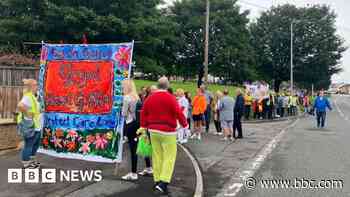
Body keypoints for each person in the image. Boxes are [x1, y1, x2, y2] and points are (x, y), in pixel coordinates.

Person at [140, 77, 188, 194]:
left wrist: (144, 126)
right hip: (168, 131)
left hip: (153, 130)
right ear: (167, 86)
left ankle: (157, 180)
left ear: (158, 85)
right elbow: (178, 113)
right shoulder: (170, 98)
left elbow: (143, 113)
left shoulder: (150, 98)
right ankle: (163, 182)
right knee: (169, 157)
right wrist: (185, 125)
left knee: (157, 156)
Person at [121, 80, 152, 181]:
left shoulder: (126, 98)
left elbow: (124, 114)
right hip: (139, 123)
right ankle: (148, 167)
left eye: (123, 86)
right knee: (143, 144)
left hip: (131, 124)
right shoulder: (137, 97)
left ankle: (134, 173)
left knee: (133, 148)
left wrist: (120, 109)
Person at [17, 79, 42, 169]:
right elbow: (20, 105)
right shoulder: (27, 96)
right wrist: (27, 113)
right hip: (30, 126)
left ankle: (31, 161)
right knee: (29, 145)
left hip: (36, 126)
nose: (37, 86)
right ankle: (26, 163)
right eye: (35, 85)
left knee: (35, 145)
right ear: (31, 87)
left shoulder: (33, 96)